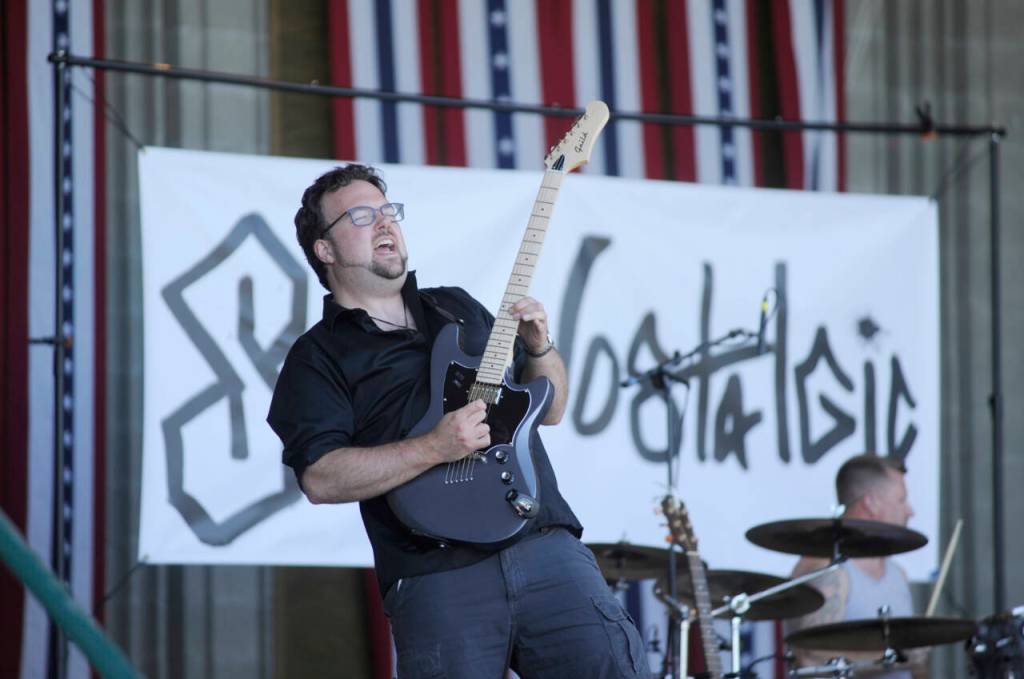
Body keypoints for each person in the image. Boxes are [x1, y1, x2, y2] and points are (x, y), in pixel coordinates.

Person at [267, 164, 649, 679]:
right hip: (435, 574)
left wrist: (541, 346)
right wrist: (433, 446)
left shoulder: (457, 307)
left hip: (544, 545)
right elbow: (321, 478)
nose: (384, 224)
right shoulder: (317, 357)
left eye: (388, 211)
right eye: (361, 216)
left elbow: (550, 410)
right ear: (325, 250)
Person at [787, 454, 925, 679]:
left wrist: (914, 659)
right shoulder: (826, 567)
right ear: (870, 503)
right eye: (901, 500)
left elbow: (915, 667)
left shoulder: (898, 574)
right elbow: (812, 658)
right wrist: (896, 657)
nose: (910, 510)